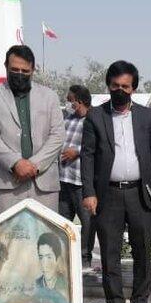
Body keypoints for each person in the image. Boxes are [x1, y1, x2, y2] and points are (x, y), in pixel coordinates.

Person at [80, 60, 151, 303]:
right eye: (115, 86)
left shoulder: (146, 117)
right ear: (108, 85)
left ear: (134, 88)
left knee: (142, 250)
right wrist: (89, 192)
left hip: (139, 193)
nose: (120, 90)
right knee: (110, 252)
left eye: (125, 86)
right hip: (107, 194)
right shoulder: (96, 116)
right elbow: (87, 156)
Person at [0, 45, 65, 214]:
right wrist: (15, 163)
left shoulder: (50, 96)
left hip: (44, 182)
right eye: (14, 70)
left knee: (45, 230)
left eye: (25, 71)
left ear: (33, 70)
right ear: (6, 66)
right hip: (8, 182)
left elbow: (58, 135)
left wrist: (34, 165)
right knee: (10, 230)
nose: (19, 74)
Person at [58, 84, 93, 268]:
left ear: (79, 101)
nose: (67, 103)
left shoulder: (94, 119)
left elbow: (98, 145)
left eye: (70, 100)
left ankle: (85, 258)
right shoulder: (68, 119)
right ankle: (63, 258)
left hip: (81, 181)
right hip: (64, 178)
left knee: (87, 222)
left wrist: (77, 152)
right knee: (62, 221)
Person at [33, 231, 69, 303]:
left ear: (58, 260)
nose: (44, 263)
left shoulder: (65, 283)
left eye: (49, 257)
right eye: (41, 257)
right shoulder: (36, 284)